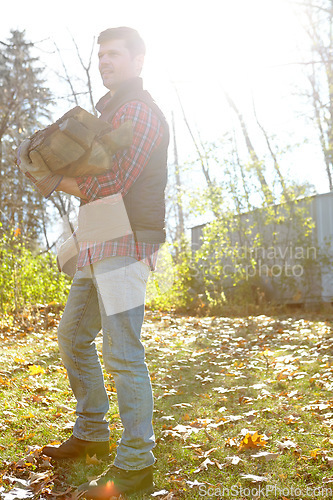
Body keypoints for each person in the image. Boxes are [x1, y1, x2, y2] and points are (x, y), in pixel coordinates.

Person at [41, 27, 169, 498]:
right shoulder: (109, 114)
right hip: (99, 241)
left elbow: (112, 182)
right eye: (101, 54)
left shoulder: (141, 113)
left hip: (126, 242)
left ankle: (136, 464)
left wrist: (56, 177)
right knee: (73, 335)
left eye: (114, 54)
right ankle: (93, 433)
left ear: (138, 60)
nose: (105, 61)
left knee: (122, 354)